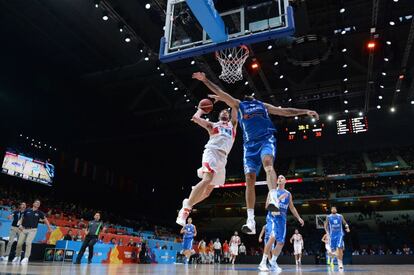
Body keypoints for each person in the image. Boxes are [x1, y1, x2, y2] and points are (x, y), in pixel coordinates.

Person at [192, 72, 319, 235]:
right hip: (249, 146)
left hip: (266, 140)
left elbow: (286, 111)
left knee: (268, 165)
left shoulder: (263, 105)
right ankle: (250, 221)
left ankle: (273, 197)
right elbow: (223, 94)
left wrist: (304, 111)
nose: (249, 97)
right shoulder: (239, 105)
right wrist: (205, 80)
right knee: (249, 179)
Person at [176, 101, 238, 226]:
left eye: (227, 111)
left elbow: (235, 105)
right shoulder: (213, 125)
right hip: (212, 153)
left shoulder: (233, 126)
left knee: (207, 192)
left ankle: (188, 202)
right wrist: (201, 109)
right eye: (223, 112)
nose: (225, 112)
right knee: (206, 180)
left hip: (223, 159)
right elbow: (195, 118)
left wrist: (222, 97)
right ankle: (186, 210)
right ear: (219, 116)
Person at [258, 175, 304, 272]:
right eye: (278, 177)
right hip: (272, 217)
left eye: (282, 177)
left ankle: (273, 262)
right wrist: (276, 202)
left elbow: (292, 207)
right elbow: (266, 206)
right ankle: (262, 262)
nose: (279, 178)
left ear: (285, 181)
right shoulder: (272, 192)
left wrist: (299, 218)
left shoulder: (288, 194)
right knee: (273, 236)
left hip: (282, 220)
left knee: (281, 242)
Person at [12, 200, 52, 265]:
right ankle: (17, 256)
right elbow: (22, 218)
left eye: (38, 203)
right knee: (19, 243)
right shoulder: (27, 210)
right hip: (24, 229)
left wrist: (49, 228)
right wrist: (20, 225)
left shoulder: (39, 213)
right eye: (36, 202)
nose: (37, 204)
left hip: (32, 230)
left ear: (39, 206)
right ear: (33, 203)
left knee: (28, 242)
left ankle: (26, 257)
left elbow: (46, 220)